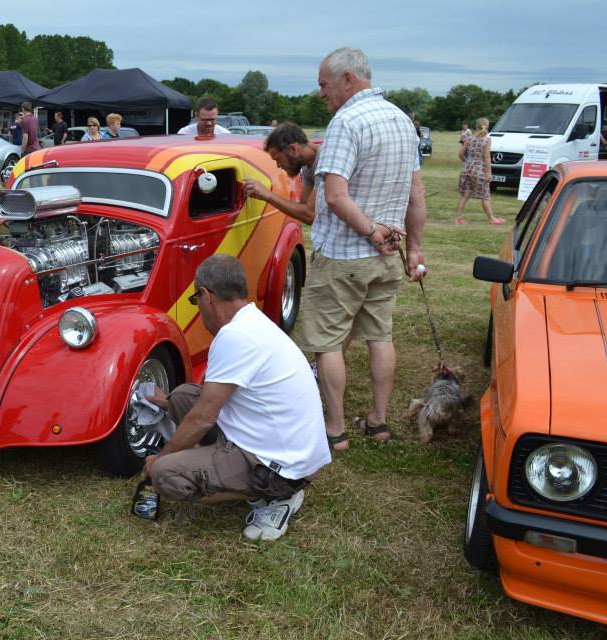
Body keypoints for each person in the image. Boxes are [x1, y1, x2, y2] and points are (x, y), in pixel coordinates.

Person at [143, 254, 330, 541]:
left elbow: (203, 418)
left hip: (281, 467)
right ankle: (259, 481)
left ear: (206, 296)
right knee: (181, 397)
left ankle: (273, 497)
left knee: (166, 475)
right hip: (287, 446)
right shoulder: (251, 321)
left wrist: (160, 459)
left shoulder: (236, 337)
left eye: (195, 301)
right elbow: (204, 401)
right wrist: (168, 405)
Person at [305, 47, 426, 452]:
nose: (321, 92)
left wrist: (371, 230)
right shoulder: (403, 121)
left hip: (344, 254)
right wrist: (414, 249)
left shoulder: (346, 122)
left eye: (324, 84)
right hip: (387, 256)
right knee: (380, 335)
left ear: (347, 80)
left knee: (326, 343)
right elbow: (416, 196)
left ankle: (334, 429)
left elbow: (336, 197)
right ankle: (378, 421)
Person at [242, 123, 320, 224]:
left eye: (278, 159)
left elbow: (310, 215)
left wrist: (267, 195)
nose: (278, 165)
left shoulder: (326, 161)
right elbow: (303, 211)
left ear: (293, 149)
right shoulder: (307, 166)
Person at [455, 117, 503, 225]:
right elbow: (487, 157)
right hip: (480, 170)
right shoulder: (487, 140)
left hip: (467, 169)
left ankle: (458, 218)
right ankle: (491, 218)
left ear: (476, 126)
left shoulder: (469, 139)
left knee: (465, 194)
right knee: (485, 196)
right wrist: (488, 173)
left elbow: (460, 154)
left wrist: (468, 162)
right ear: (488, 126)